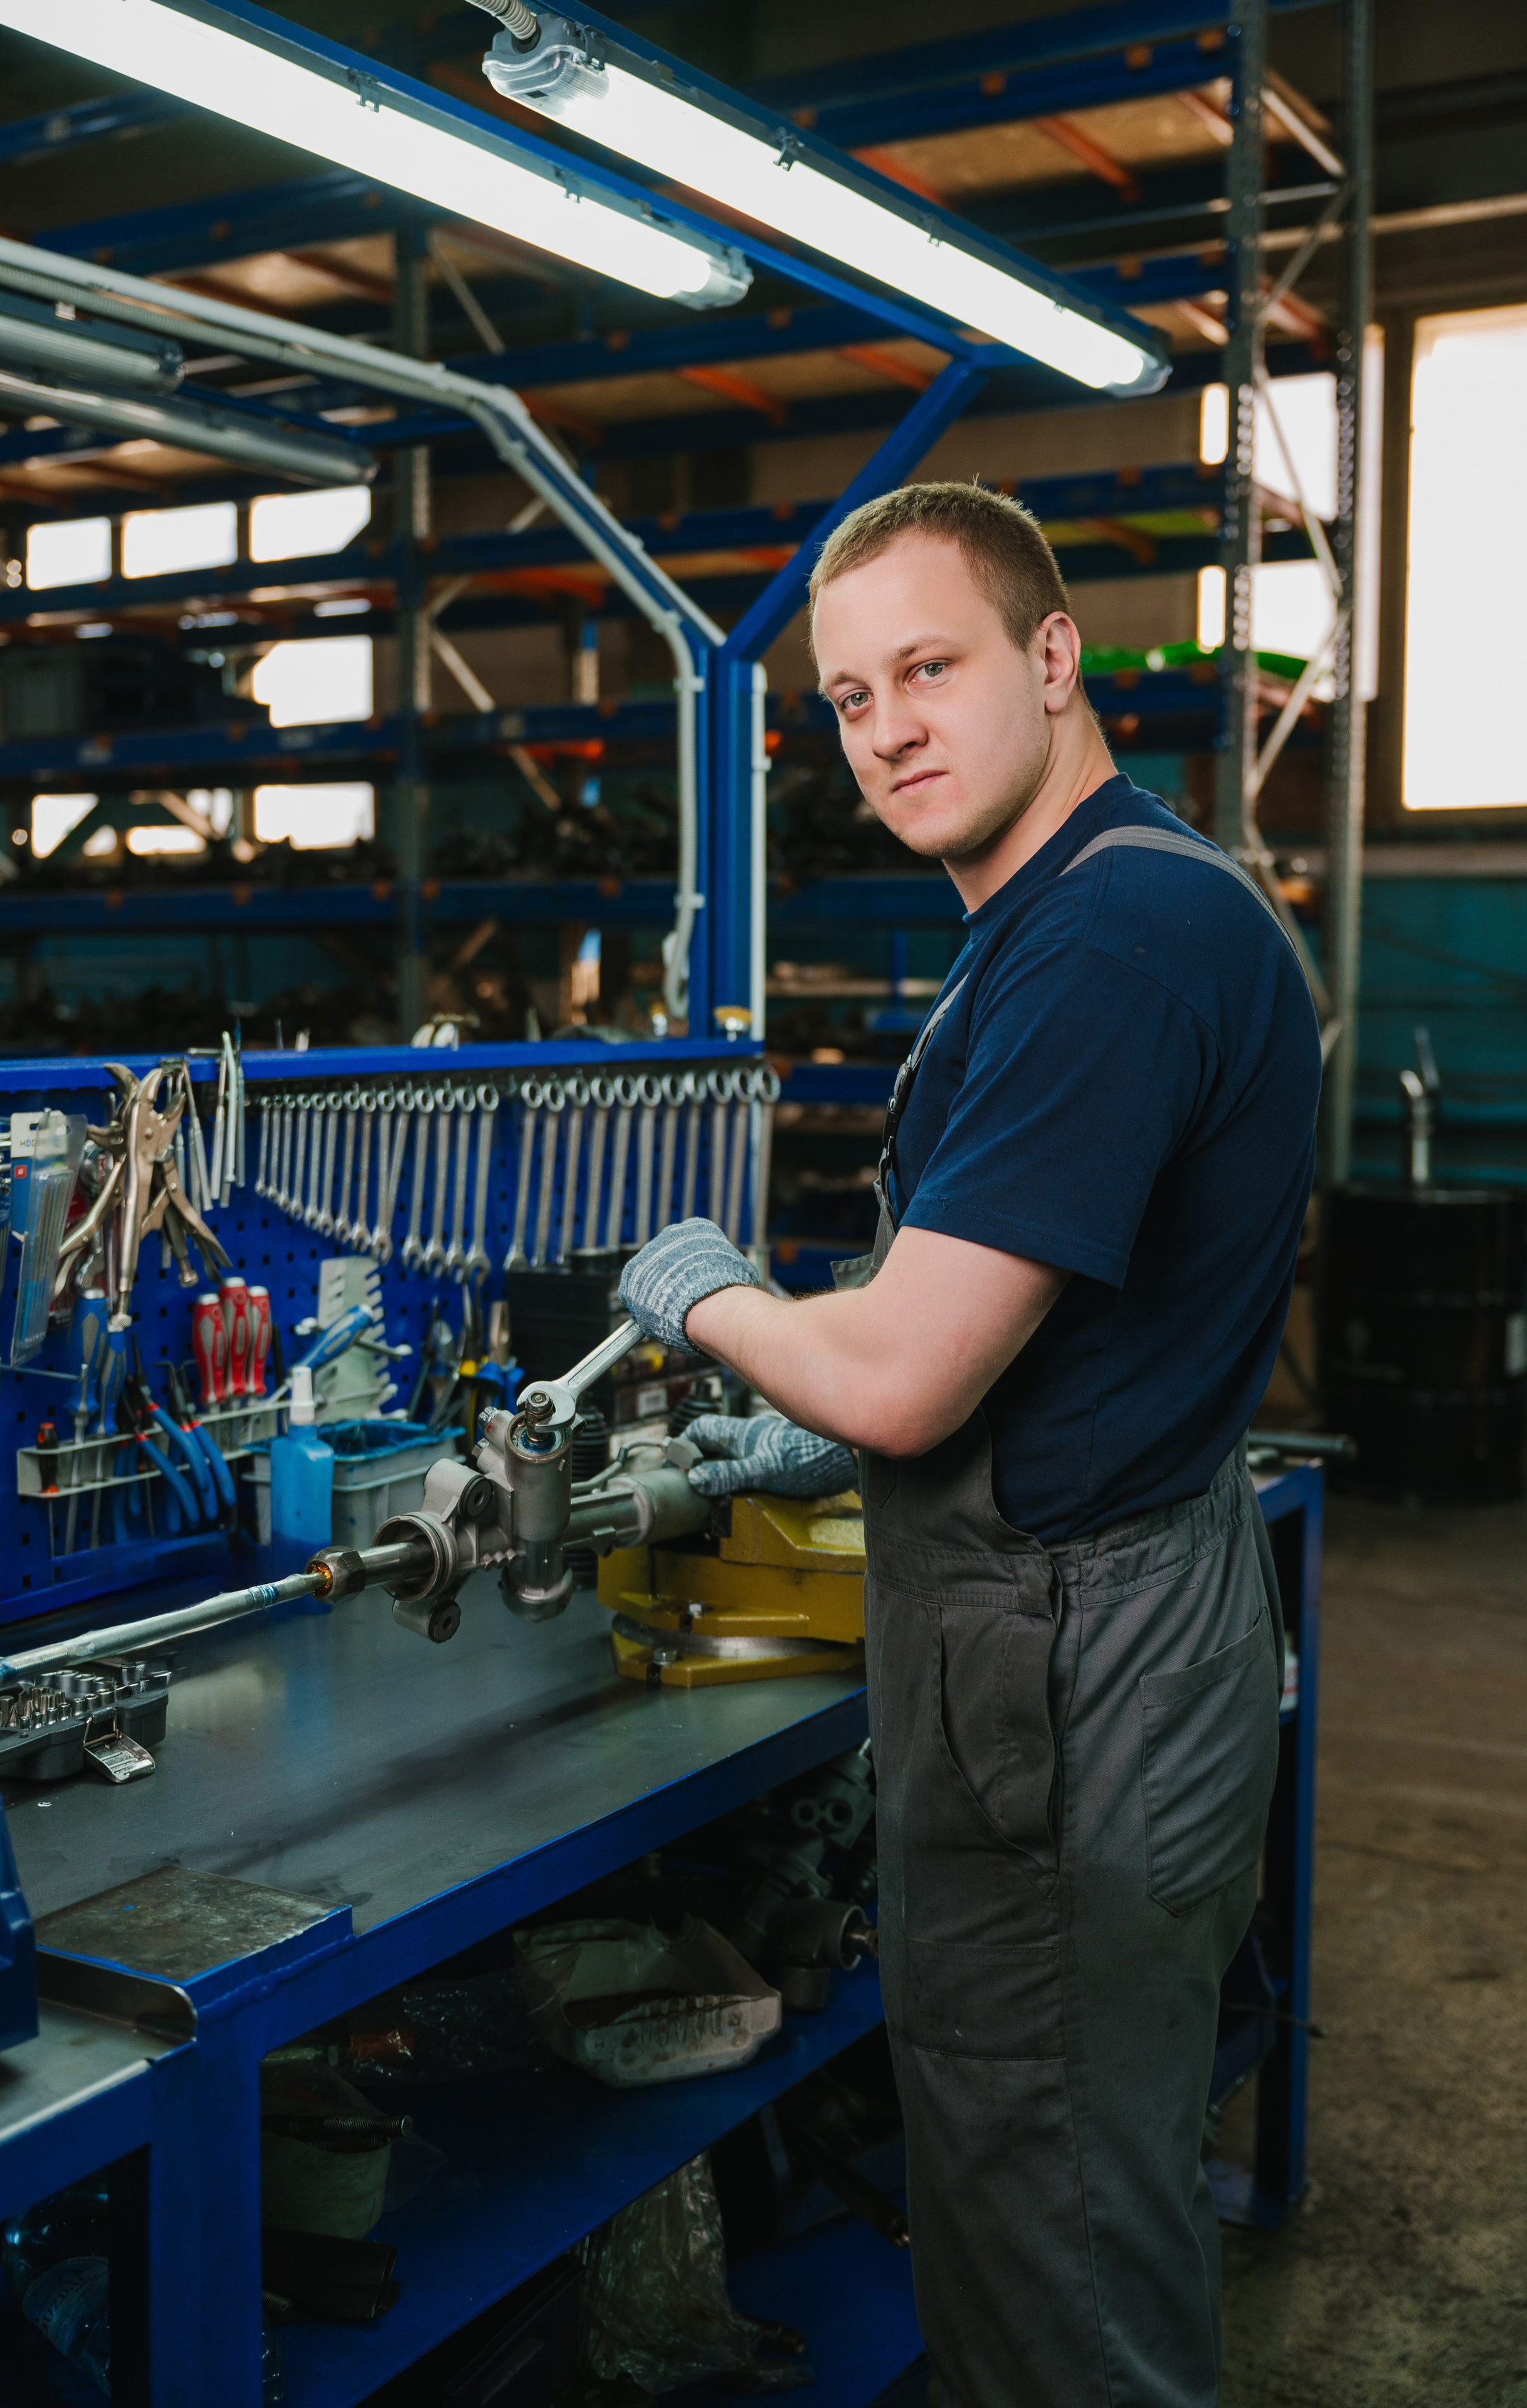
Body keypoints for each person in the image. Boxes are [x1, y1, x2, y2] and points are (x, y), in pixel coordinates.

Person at [616, 481, 1321, 2408]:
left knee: (1048, 2233)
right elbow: (1002, 1315)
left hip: (1063, 1669)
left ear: (1054, 654)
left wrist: (710, 1300)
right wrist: (811, 1403)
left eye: (929, 669)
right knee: (1067, 2191)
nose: (889, 731)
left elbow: (915, 1384)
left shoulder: (1106, 943)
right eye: (851, 699)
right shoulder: (1104, 899)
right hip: (1108, 1607)